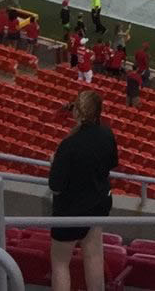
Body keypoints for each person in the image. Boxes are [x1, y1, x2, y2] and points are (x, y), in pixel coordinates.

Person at [47, 90, 118, 291]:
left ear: (77, 112)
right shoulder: (107, 134)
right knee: (94, 254)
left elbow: (56, 187)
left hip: (70, 211)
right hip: (97, 205)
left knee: (60, 263)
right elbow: (110, 164)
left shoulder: (69, 145)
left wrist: (56, 164)